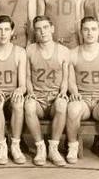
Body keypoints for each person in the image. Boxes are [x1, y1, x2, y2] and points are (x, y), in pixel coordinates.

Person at [66, 16, 99, 164]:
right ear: (81, 32)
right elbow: (71, 80)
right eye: (86, 29)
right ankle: (73, 146)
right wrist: (74, 92)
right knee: (73, 108)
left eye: (93, 29)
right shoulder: (73, 53)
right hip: (83, 100)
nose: (90, 33)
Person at [24, 15, 70, 167]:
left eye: (45, 28)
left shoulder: (63, 51)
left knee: (62, 104)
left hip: (54, 97)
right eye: (38, 29)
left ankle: (53, 148)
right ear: (35, 32)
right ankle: (40, 147)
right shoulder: (30, 50)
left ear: (52, 29)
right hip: (38, 98)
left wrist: (63, 91)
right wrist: (30, 92)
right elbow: (28, 77)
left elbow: (65, 78)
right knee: (28, 105)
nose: (42, 32)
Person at [0, 15, 27, 165]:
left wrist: (19, 90)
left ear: (12, 31)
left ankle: (15, 145)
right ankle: (2, 146)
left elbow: (23, 84)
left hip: (13, 94)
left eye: (6, 29)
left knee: (18, 103)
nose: (3, 33)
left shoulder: (19, 52)